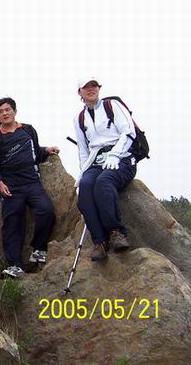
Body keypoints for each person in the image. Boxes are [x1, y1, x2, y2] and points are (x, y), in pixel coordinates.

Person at [0, 98, 58, 278]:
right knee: (12, 223)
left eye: (7, 109)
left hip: (32, 183)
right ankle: (15, 265)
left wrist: (46, 150)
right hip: (11, 187)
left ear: (15, 111)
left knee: (46, 211)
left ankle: (38, 249)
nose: (5, 113)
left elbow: (35, 151)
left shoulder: (28, 130)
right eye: (1, 111)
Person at [74, 77, 136, 261]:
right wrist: (83, 172)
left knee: (103, 182)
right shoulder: (79, 118)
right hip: (96, 162)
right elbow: (83, 150)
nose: (91, 89)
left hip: (122, 159)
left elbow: (128, 132)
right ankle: (99, 242)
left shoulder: (112, 106)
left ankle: (116, 232)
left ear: (99, 88)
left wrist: (116, 154)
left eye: (94, 85)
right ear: (79, 92)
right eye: (86, 87)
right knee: (85, 188)